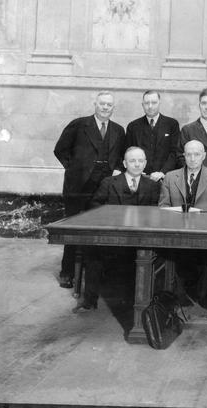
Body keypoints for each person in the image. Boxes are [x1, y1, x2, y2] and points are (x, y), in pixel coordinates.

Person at [71, 147, 160, 312]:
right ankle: (90, 301)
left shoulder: (152, 186)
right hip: (112, 236)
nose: (137, 164)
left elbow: (156, 211)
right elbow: (95, 206)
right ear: (125, 163)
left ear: (146, 163)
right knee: (93, 254)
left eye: (141, 161)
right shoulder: (109, 182)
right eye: (132, 161)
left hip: (140, 239)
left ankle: (142, 303)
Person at [53, 91, 125, 289]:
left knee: (100, 232)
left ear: (113, 108)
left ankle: (94, 273)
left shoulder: (119, 130)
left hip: (103, 189)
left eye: (109, 105)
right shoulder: (79, 124)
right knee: (73, 229)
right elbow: (60, 150)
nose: (105, 107)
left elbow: (119, 157)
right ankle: (67, 272)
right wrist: (75, 169)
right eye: (102, 104)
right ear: (95, 104)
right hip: (78, 188)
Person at [159, 140, 207, 305]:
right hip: (177, 231)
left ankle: (202, 294)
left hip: (205, 231)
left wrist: (204, 216)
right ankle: (178, 296)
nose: (192, 158)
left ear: (204, 156)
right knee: (176, 259)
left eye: (197, 154)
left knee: (204, 260)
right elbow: (163, 207)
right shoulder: (170, 177)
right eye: (188, 154)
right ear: (184, 156)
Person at [125, 90, 180, 182]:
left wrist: (163, 172)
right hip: (139, 178)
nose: (150, 106)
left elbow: (174, 153)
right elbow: (128, 153)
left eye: (154, 103)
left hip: (165, 178)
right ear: (142, 104)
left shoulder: (172, 124)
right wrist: (136, 171)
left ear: (160, 103)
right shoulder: (133, 126)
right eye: (147, 103)